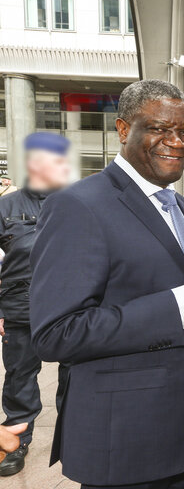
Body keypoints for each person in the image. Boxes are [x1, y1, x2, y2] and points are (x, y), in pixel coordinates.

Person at [29, 80, 184, 489]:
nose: (176, 142)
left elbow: (176, 288)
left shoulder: (181, 206)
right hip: (127, 440)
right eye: (160, 128)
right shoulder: (77, 205)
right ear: (124, 130)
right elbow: (56, 334)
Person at [0, 132, 71, 477]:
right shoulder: (5, 207)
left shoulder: (76, 203)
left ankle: (73, 433)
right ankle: (17, 437)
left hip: (69, 308)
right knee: (20, 376)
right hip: (18, 308)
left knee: (73, 373)